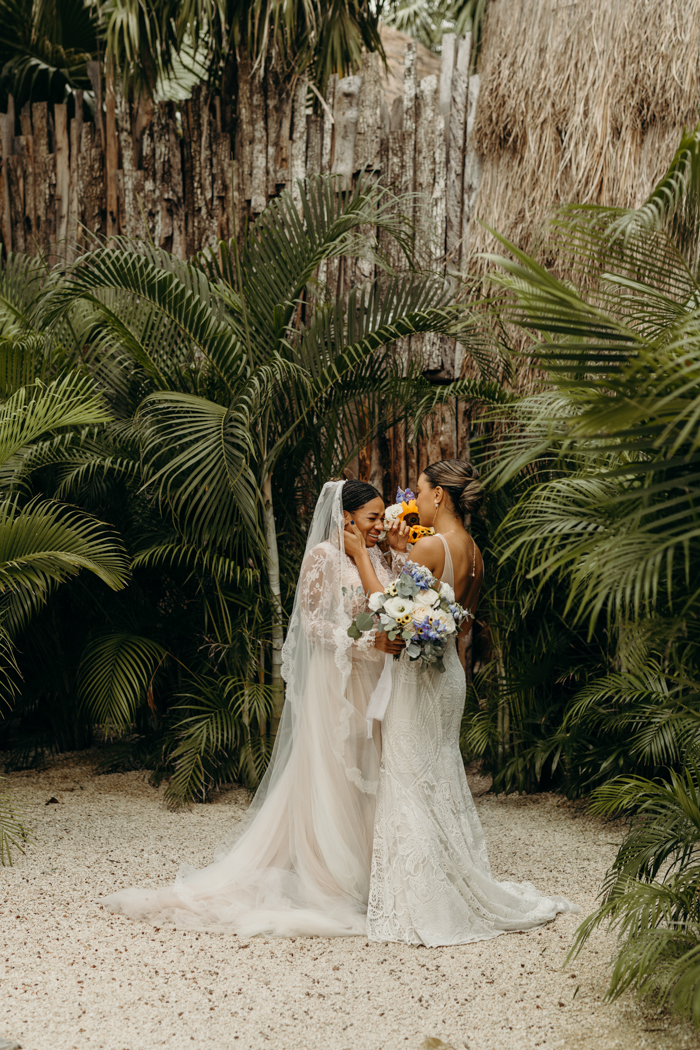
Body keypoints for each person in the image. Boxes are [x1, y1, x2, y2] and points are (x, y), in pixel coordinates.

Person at [103, 479, 408, 936]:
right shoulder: (323, 556)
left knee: (373, 768)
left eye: (382, 519)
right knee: (337, 770)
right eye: (371, 519)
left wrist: (397, 549)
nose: (379, 528)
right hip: (339, 680)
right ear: (344, 517)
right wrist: (365, 642)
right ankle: (331, 874)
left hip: (377, 681)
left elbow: (397, 601)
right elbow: (312, 625)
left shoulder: (381, 554)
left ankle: (376, 868)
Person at [362, 459, 579, 946]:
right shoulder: (474, 552)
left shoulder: (432, 545)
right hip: (450, 677)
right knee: (437, 775)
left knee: (408, 778)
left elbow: (393, 616)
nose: (413, 500)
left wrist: (375, 555)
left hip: (420, 679)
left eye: (419, 490)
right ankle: (450, 883)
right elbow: (452, 622)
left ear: (439, 495)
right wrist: (403, 553)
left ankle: (425, 901)